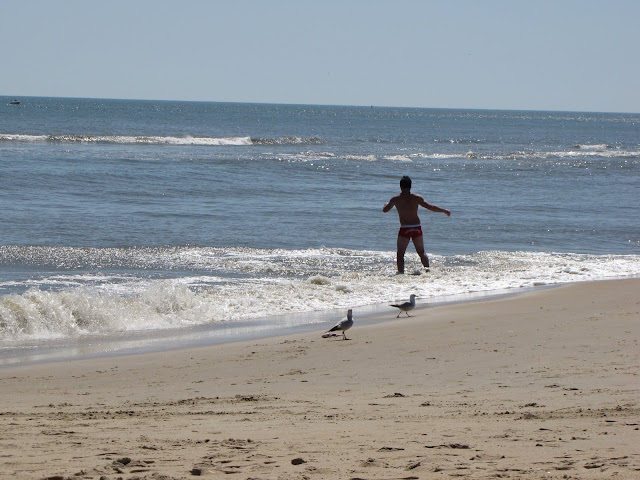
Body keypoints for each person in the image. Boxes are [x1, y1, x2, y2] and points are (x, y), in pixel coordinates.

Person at [383, 176, 450, 274]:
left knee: (400, 254)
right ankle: (427, 271)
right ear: (410, 186)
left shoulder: (395, 199)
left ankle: (401, 274)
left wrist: (385, 204)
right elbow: (430, 207)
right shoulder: (417, 198)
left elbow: (385, 210)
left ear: (400, 187)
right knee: (421, 252)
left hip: (405, 228)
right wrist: (444, 210)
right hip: (416, 227)